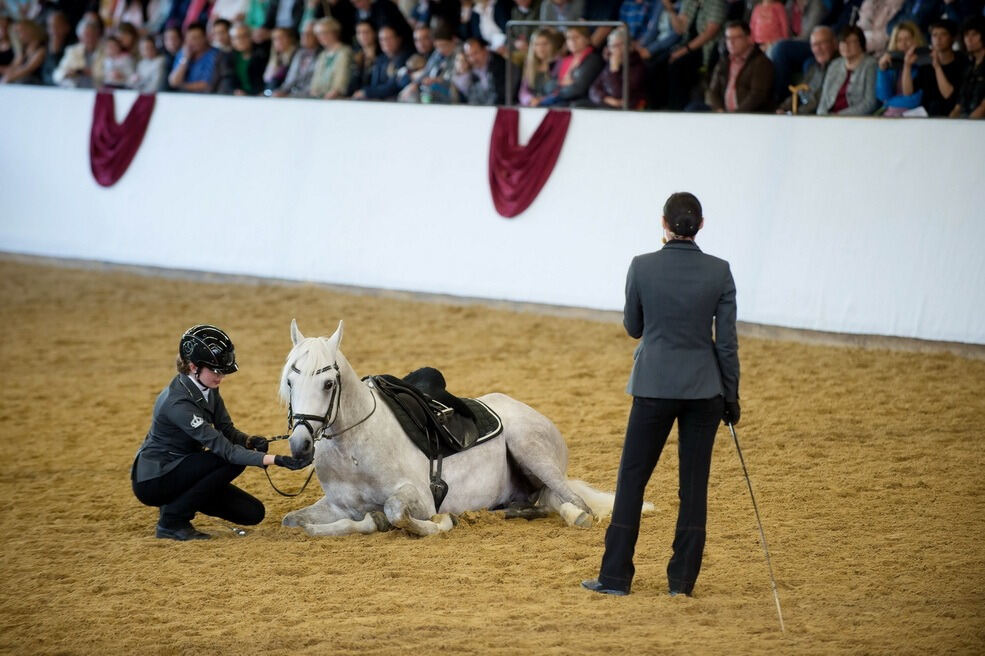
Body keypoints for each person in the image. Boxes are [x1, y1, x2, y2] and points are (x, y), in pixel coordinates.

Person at [582, 191, 739, 598]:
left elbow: (634, 327)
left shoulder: (641, 266)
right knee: (694, 485)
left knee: (632, 479)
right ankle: (681, 583)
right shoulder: (720, 272)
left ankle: (615, 577)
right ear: (701, 225)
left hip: (652, 387)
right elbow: (726, 344)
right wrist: (731, 396)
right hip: (704, 389)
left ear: (663, 224)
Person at [131, 325, 311, 541]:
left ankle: (175, 505)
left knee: (252, 513)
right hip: (154, 479)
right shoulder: (177, 403)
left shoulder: (208, 387)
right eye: (215, 371)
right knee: (230, 461)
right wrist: (277, 460)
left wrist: (249, 440)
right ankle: (171, 521)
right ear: (192, 366)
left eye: (222, 371)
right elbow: (226, 450)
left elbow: (226, 430)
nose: (221, 377)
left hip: (183, 469)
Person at [662, 0, 727, 110]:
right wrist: (671, 10)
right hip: (686, 45)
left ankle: (677, 109)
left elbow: (710, 33)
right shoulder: (689, 2)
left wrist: (684, 50)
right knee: (659, 63)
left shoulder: (716, 3)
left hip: (706, 49)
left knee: (677, 67)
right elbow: (680, 29)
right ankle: (660, 107)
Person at [706, 19, 774, 111]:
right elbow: (712, 92)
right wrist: (719, 110)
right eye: (728, 38)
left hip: (750, 117)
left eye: (736, 38)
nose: (731, 42)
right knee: (694, 108)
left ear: (749, 39)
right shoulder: (723, 62)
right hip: (724, 115)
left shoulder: (761, 62)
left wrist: (736, 115)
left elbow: (757, 95)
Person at [776, 24, 837, 114]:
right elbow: (799, 91)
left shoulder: (838, 67)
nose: (818, 49)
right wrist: (783, 108)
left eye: (822, 43)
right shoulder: (814, 67)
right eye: (814, 45)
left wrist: (796, 113)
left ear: (834, 44)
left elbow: (820, 98)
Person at [817, 25, 879, 114]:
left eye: (851, 42)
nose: (846, 46)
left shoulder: (870, 65)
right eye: (842, 42)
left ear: (860, 44)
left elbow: (869, 103)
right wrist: (821, 116)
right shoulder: (834, 65)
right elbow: (824, 99)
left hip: (853, 120)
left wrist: (839, 116)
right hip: (830, 119)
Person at [538, 25, 603, 106]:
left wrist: (558, 90)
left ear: (587, 39)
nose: (572, 41)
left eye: (576, 37)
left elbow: (579, 89)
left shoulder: (593, 60)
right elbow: (548, 86)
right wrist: (561, 83)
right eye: (569, 38)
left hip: (578, 101)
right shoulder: (564, 60)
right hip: (560, 98)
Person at [912, 19, 964, 116]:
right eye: (934, 35)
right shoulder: (926, 63)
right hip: (926, 116)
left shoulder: (962, 62)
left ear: (952, 38)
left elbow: (949, 95)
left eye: (943, 34)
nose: (938, 39)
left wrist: (937, 67)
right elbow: (908, 91)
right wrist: (907, 65)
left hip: (952, 115)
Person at [875, 20, 925, 115]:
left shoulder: (924, 64)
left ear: (916, 40)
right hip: (892, 113)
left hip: (915, 114)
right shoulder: (892, 63)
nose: (904, 44)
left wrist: (889, 103)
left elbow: (915, 101)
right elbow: (883, 97)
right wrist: (882, 71)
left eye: (908, 39)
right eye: (899, 40)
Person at [588, 25, 645, 108]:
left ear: (628, 46)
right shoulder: (612, 62)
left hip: (630, 109)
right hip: (609, 104)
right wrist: (606, 99)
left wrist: (614, 70)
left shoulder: (637, 66)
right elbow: (593, 89)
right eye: (611, 46)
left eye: (616, 45)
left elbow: (618, 94)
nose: (612, 50)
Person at [352, 23, 409, 98]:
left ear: (398, 39)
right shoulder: (380, 59)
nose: (385, 42)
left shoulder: (405, 59)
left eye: (389, 38)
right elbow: (374, 84)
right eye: (382, 39)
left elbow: (393, 86)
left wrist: (367, 92)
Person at [168, 22, 221, 91]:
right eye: (188, 38)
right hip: (183, 97)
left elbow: (206, 85)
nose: (191, 42)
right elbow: (173, 81)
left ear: (205, 38)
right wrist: (185, 59)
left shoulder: (215, 54)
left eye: (195, 38)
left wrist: (182, 86)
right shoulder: (183, 53)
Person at [949, 16, 985, 118]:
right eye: (966, 35)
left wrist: (966, 125)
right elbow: (959, 105)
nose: (969, 39)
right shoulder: (968, 67)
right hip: (966, 122)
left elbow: (983, 108)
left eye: (974, 34)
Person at [308, 15, 352, 97]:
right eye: (318, 34)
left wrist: (336, 90)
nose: (321, 37)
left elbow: (342, 77)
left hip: (337, 98)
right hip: (320, 96)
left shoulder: (344, 52)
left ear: (334, 33)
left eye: (324, 33)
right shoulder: (322, 55)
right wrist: (314, 90)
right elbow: (316, 78)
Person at [518, 26, 562, 106]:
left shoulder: (559, 63)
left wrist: (543, 100)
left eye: (545, 44)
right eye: (537, 44)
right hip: (533, 105)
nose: (541, 48)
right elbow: (523, 91)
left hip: (552, 104)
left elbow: (561, 89)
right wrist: (530, 99)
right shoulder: (529, 64)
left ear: (552, 45)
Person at [218, 22, 266, 93]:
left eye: (244, 36)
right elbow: (227, 79)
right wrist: (234, 91)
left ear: (251, 37)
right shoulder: (228, 57)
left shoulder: (262, 54)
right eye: (236, 38)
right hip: (237, 98)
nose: (240, 40)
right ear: (232, 41)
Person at [274, 20, 319, 96]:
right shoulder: (299, 53)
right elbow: (290, 78)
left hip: (308, 95)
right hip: (293, 95)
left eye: (309, 34)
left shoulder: (321, 54)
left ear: (317, 36)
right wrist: (281, 91)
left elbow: (315, 84)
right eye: (303, 33)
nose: (305, 37)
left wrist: (293, 95)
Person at [0, 18, 45, 84]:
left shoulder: (41, 48)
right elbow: (13, 68)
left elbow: (27, 69)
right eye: (17, 33)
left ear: (31, 30)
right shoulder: (23, 50)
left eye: (21, 31)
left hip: (35, 83)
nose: (19, 36)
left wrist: (7, 78)